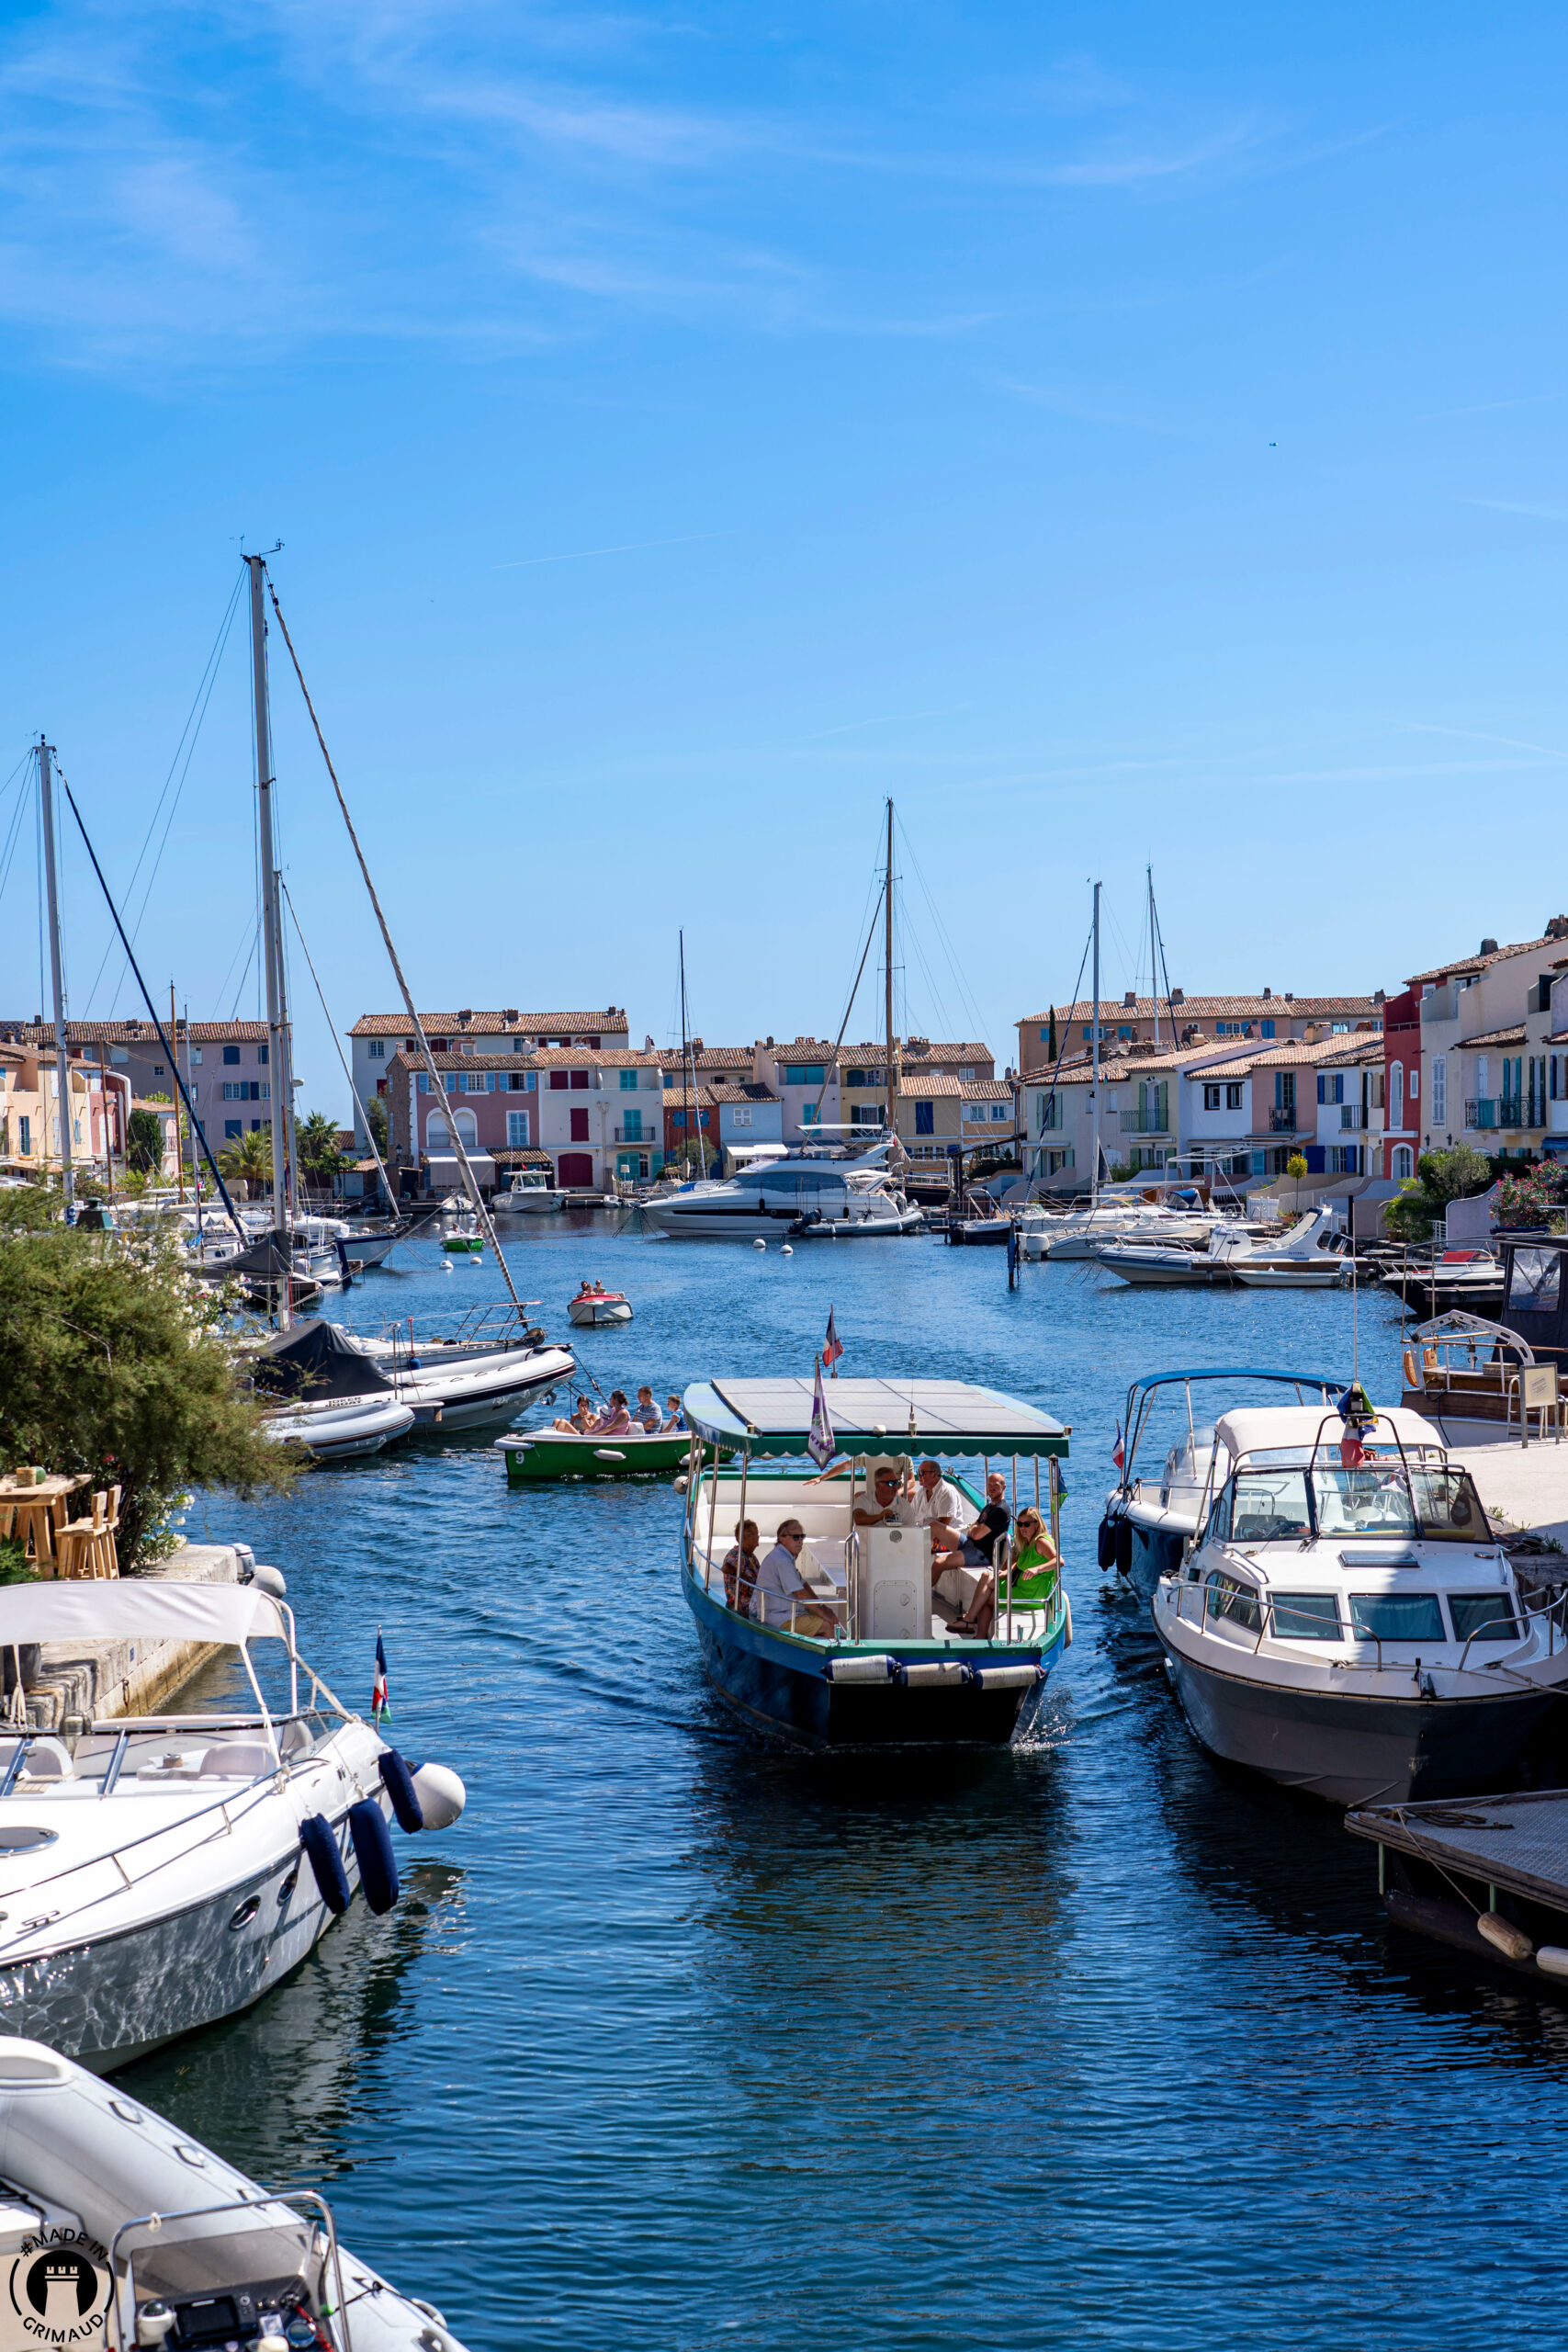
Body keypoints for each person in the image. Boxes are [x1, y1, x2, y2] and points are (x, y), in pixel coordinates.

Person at [951, 1504, 1059, 1639]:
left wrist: (1037, 1569)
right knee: (986, 1579)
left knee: (987, 1596)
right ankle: (975, 1628)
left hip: (1032, 1594)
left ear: (1036, 1524)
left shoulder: (1041, 1542)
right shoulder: (1028, 1542)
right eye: (1020, 1524)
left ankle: (971, 1623)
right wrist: (1007, 1572)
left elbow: (1059, 1561)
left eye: (1027, 1524)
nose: (1022, 1528)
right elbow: (1019, 1563)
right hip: (1022, 1587)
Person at [750, 1521, 839, 1637]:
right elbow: (800, 1594)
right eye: (796, 1537)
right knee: (827, 1624)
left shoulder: (784, 1557)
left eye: (802, 1537)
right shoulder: (782, 1560)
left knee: (822, 1615)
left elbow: (804, 1585)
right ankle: (833, 1655)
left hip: (785, 1614)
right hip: (780, 1618)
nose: (800, 1541)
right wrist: (824, 1614)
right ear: (782, 1538)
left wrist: (822, 1607)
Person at [911, 1459, 963, 1555]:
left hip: (945, 1540)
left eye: (922, 1473)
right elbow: (910, 1517)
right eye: (918, 1472)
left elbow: (943, 1526)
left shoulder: (947, 1491)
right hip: (925, 1535)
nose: (918, 1476)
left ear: (934, 1474)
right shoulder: (920, 1493)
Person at [852, 1464, 918, 1529]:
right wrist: (880, 1517)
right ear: (878, 1485)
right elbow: (859, 1520)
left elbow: (911, 1528)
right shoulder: (864, 1500)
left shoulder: (904, 1504)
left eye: (896, 1482)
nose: (895, 1486)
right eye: (890, 1483)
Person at [722, 1520, 763, 1614]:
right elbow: (726, 1568)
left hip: (756, 1602)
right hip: (744, 1607)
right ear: (746, 1537)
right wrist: (744, 1578)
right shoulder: (736, 1554)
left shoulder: (751, 1557)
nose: (758, 1537)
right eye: (756, 1534)